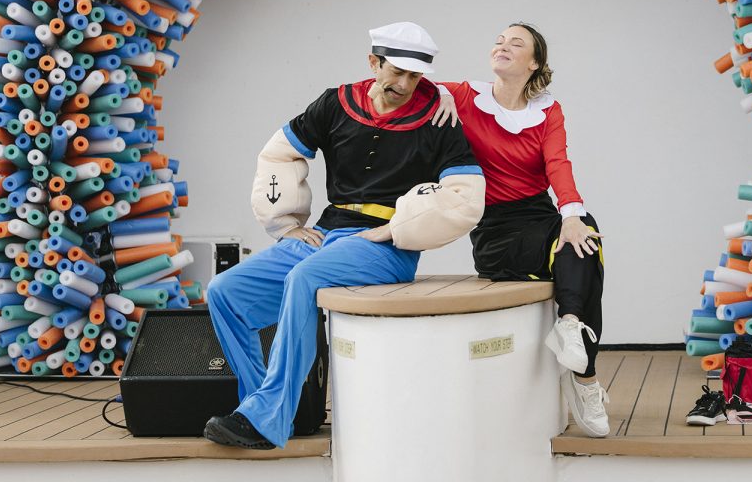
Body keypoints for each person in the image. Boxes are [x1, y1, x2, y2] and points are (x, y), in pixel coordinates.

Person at [204, 22, 485, 449]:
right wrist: (287, 224)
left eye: (414, 76)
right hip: (324, 233)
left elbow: (466, 197)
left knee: (304, 278)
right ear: (373, 62)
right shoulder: (336, 103)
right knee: (225, 292)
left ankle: (268, 415)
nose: (404, 85)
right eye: (396, 72)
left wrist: (395, 229)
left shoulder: (438, 119)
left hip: (386, 247)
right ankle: (268, 408)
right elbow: (280, 152)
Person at [432, 23, 609, 437]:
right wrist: (436, 92)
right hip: (496, 231)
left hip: (540, 216)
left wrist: (570, 214)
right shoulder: (464, 95)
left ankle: (570, 325)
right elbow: (405, 87)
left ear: (534, 63)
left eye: (516, 43)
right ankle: (585, 379)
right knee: (582, 254)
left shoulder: (548, 110)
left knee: (584, 232)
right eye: (499, 40)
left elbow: (558, 164)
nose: (503, 46)